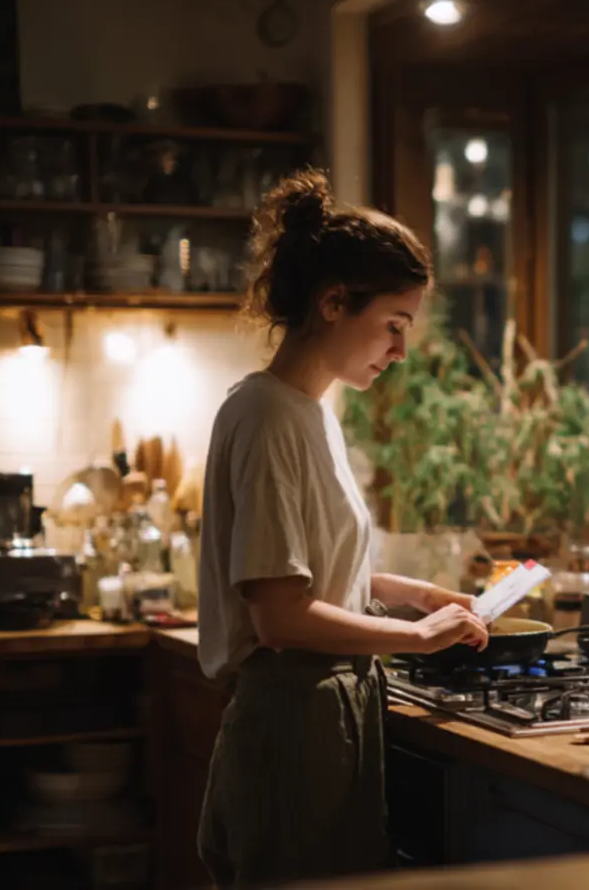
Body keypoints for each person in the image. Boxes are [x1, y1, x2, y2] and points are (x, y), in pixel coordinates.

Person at [194, 168, 489, 888]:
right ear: (333, 303)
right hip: (293, 720)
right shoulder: (266, 415)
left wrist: (414, 595)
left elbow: (312, 567)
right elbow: (279, 616)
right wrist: (417, 636)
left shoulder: (311, 412)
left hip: (327, 711)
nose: (400, 351)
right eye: (394, 325)